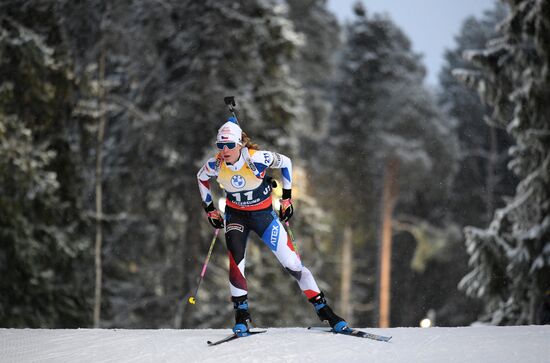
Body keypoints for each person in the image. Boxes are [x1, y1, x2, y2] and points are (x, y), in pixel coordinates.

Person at [197, 117, 347, 336]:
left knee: (292, 264)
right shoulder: (216, 164)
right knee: (236, 262)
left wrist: (286, 198)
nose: (225, 150)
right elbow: (201, 178)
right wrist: (210, 209)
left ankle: (325, 311)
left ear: (240, 144)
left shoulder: (257, 158)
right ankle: (242, 316)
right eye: (221, 145)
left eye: (230, 145)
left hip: (263, 216)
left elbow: (285, 162)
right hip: (236, 216)